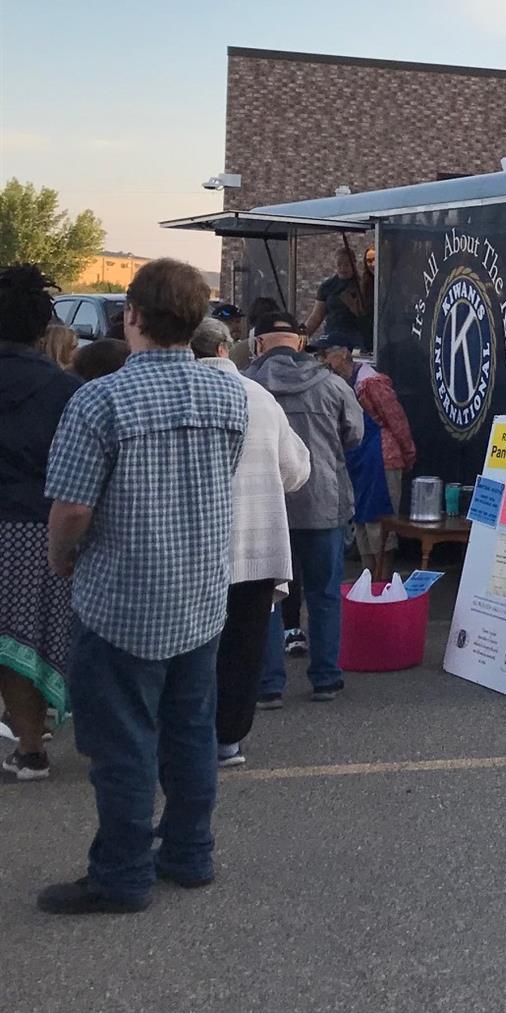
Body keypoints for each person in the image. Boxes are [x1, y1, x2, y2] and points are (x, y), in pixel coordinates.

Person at [38, 258, 247, 914]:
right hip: (201, 596)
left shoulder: (99, 400)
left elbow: (72, 510)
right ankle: (189, 853)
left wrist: (61, 558)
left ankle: (121, 874)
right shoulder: (229, 394)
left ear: (131, 315)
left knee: (121, 742)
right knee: (190, 732)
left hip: (122, 600)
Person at [192, 319, 310, 766]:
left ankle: (190, 731)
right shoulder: (260, 398)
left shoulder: (177, 392)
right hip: (259, 545)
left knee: (194, 648)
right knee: (243, 648)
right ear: (226, 350)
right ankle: (229, 739)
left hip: (197, 549)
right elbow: (297, 470)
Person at [246, 312, 362, 707]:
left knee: (266, 597)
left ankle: (268, 685)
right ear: (298, 343)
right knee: (325, 593)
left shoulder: (246, 386)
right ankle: (326, 679)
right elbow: (355, 434)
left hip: (265, 507)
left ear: (258, 344)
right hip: (323, 503)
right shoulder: (332, 384)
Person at [0, 266, 80, 781]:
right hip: (36, 527)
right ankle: (32, 743)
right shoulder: (63, 389)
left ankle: (26, 739)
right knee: (28, 637)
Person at [317, 342, 413, 576]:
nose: (323, 361)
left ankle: (382, 580)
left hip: (381, 457)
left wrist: (408, 452)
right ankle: (369, 577)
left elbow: (396, 419)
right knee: (361, 519)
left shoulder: (371, 383)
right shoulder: (339, 385)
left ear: (343, 354)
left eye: (326, 355)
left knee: (380, 521)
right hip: (358, 459)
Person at [304, 241, 371, 350]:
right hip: (331, 334)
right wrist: (299, 338)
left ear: (354, 264)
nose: (343, 268)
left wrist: (353, 306)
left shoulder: (362, 285)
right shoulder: (327, 286)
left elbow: (367, 316)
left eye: (347, 264)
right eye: (339, 264)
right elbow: (316, 317)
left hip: (353, 335)